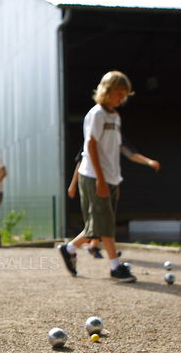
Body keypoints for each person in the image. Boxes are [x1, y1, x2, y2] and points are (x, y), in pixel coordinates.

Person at [58, 70, 160, 283]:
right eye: (118, 93)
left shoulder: (115, 117)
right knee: (104, 224)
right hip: (94, 176)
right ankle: (115, 266)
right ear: (106, 90)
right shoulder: (97, 114)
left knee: (99, 224)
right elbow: (91, 146)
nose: (121, 98)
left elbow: (117, 149)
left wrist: (116, 179)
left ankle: (69, 249)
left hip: (110, 177)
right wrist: (102, 179)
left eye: (124, 95)